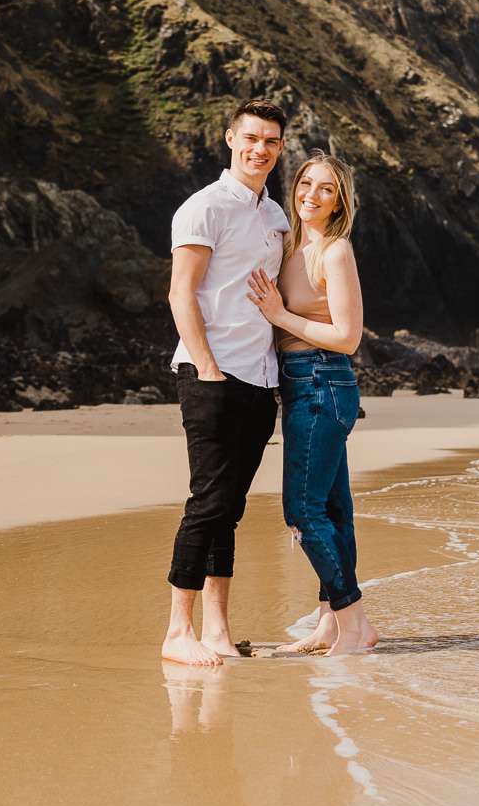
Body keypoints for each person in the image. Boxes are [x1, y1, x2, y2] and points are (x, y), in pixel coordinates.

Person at [162, 100, 290, 668]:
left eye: (271, 142)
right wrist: (207, 368)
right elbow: (180, 293)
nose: (259, 149)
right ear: (230, 139)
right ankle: (177, 632)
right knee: (207, 502)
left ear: (280, 149)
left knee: (229, 510)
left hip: (261, 380)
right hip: (211, 375)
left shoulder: (276, 218)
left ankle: (217, 630)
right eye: (251, 138)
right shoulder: (204, 208)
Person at [247, 154, 379, 656]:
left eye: (327, 189)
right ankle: (329, 623)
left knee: (301, 511)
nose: (312, 195)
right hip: (299, 384)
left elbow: (348, 337)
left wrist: (281, 315)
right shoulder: (286, 242)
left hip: (324, 380)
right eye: (305, 184)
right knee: (333, 509)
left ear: (340, 200)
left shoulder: (335, 251)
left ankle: (354, 622)